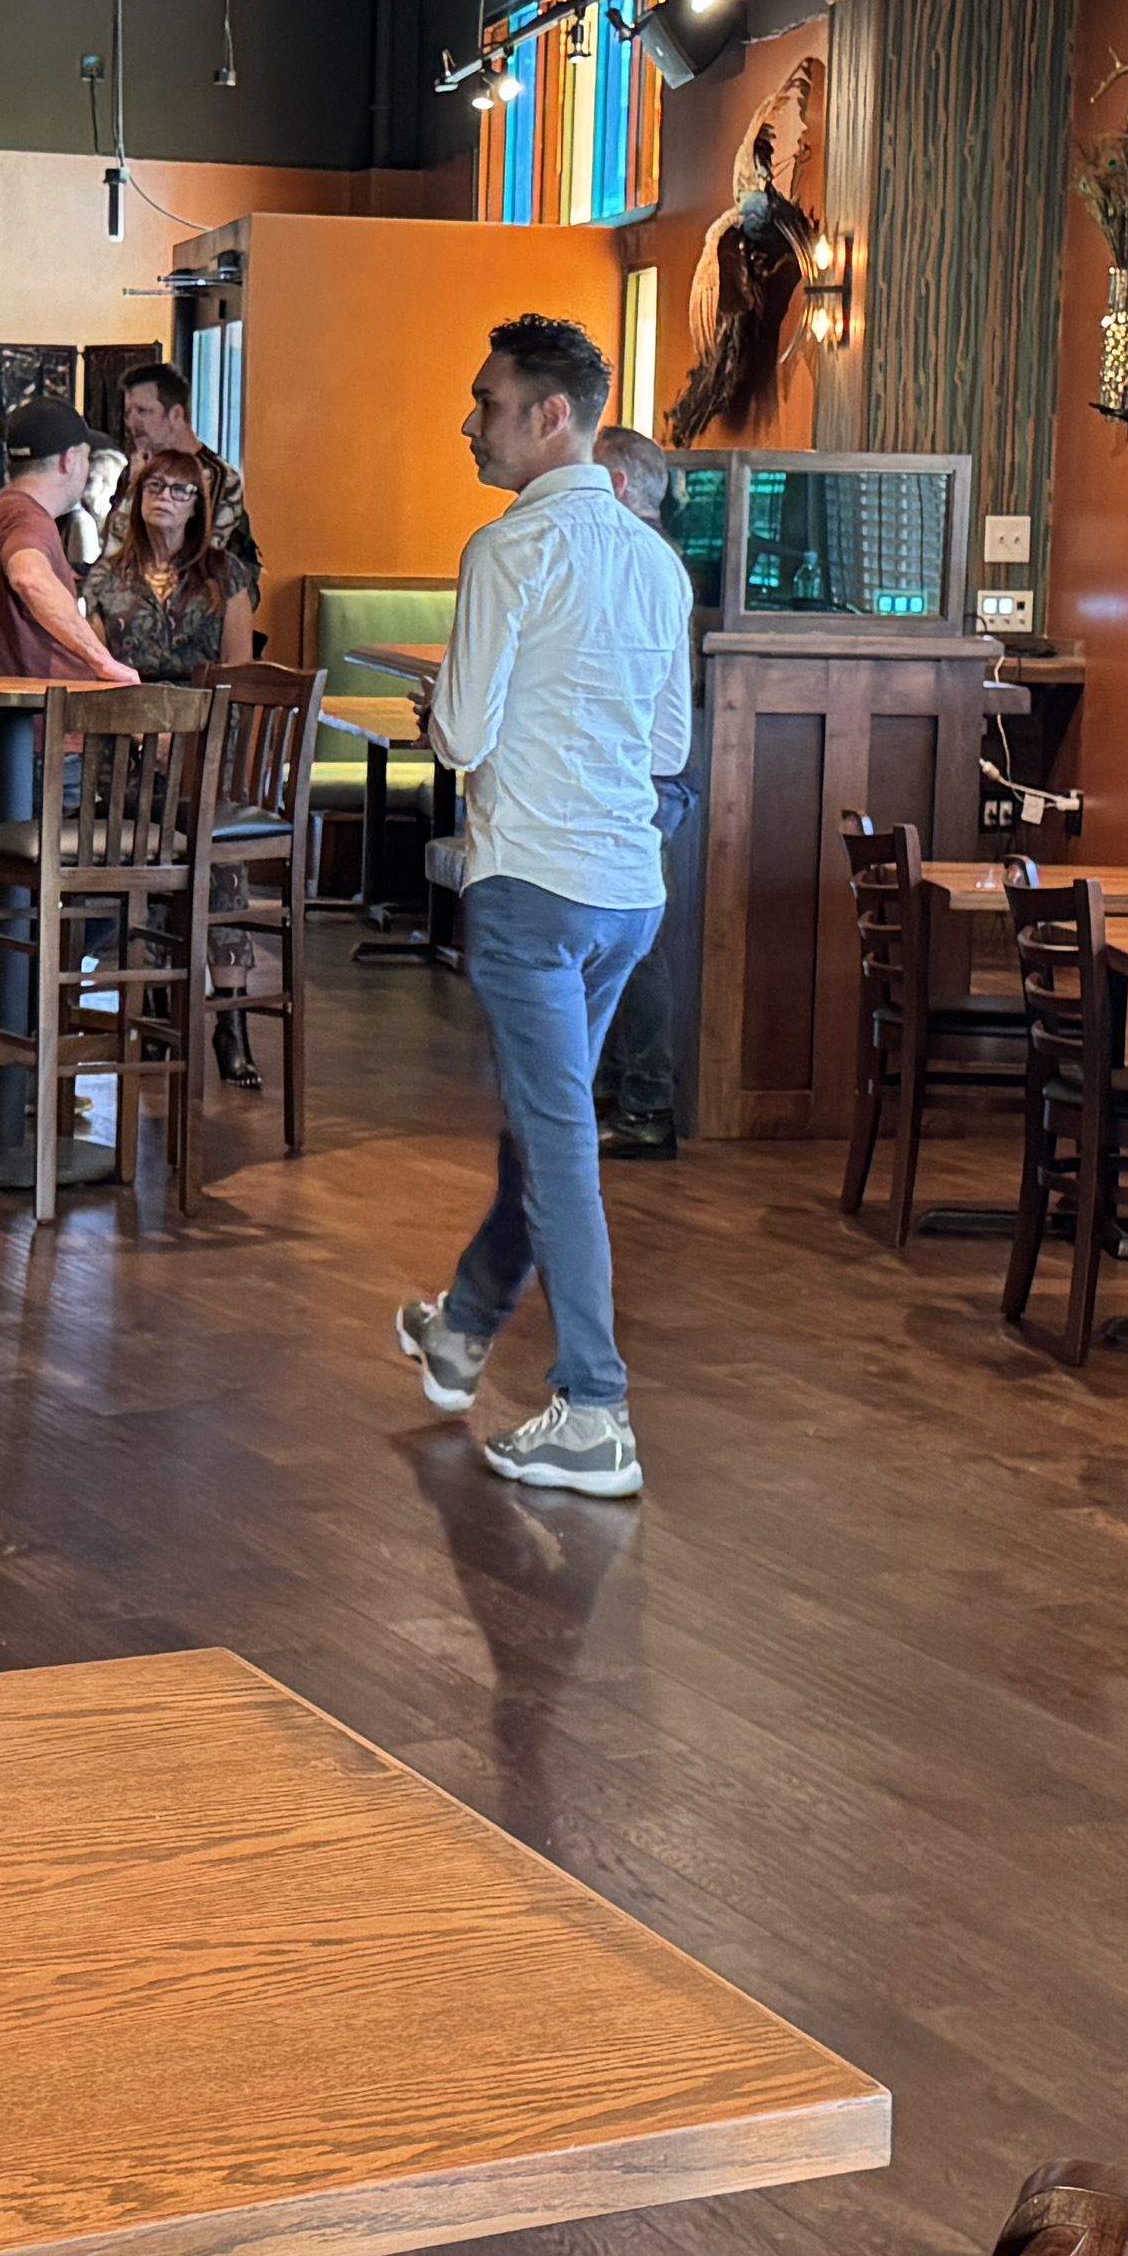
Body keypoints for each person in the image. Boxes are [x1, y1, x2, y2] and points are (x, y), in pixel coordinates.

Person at [390, 316, 688, 1500]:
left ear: (551, 416)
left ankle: (597, 1408)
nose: (470, 422)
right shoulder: (657, 565)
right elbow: (667, 744)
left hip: (529, 890)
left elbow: (459, 732)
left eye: (486, 401)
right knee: (542, 1125)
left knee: (559, 1138)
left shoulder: (507, 552)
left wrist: (445, 725)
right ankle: (464, 1327)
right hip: (628, 895)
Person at [585, 421, 707, 1161]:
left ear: (619, 486)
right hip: (649, 777)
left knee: (637, 948)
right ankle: (624, 1097)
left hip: (646, 782)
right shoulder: (655, 560)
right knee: (623, 945)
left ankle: (645, 1108)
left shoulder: (639, 561)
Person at [0, 399, 133, 682]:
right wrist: (103, 661)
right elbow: (30, 578)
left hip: (10, 720)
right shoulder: (25, 519)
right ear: (70, 460)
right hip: (43, 721)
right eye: (88, 458)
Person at [83, 438, 255, 684]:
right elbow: (96, 666)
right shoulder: (106, 574)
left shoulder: (225, 571)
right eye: (154, 486)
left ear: (196, 507)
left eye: (180, 490)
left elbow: (238, 666)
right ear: (140, 497)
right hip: (125, 708)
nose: (164, 496)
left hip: (205, 711)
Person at [114, 359, 259, 599]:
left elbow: (201, 558)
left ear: (176, 415)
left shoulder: (218, 478)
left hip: (199, 604)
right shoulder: (135, 470)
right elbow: (115, 547)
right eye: (129, 413)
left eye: (144, 411)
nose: (133, 423)